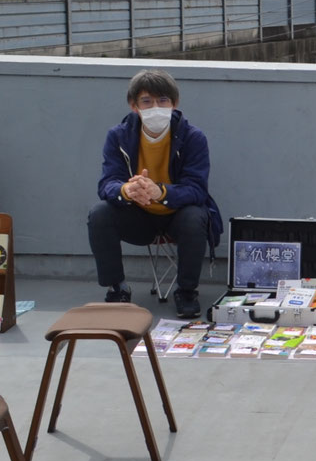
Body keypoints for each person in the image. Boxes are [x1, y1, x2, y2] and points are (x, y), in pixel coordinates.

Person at [87, 70, 222, 320]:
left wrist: (160, 191)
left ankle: (187, 290)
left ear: (174, 103)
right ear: (134, 106)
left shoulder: (193, 138)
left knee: (196, 216)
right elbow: (107, 183)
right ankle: (116, 287)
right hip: (138, 217)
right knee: (99, 214)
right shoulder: (117, 136)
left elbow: (197, 189)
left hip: (177, 215)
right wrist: (127, 190)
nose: (156, 108)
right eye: (147, 101)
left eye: (163, 101)